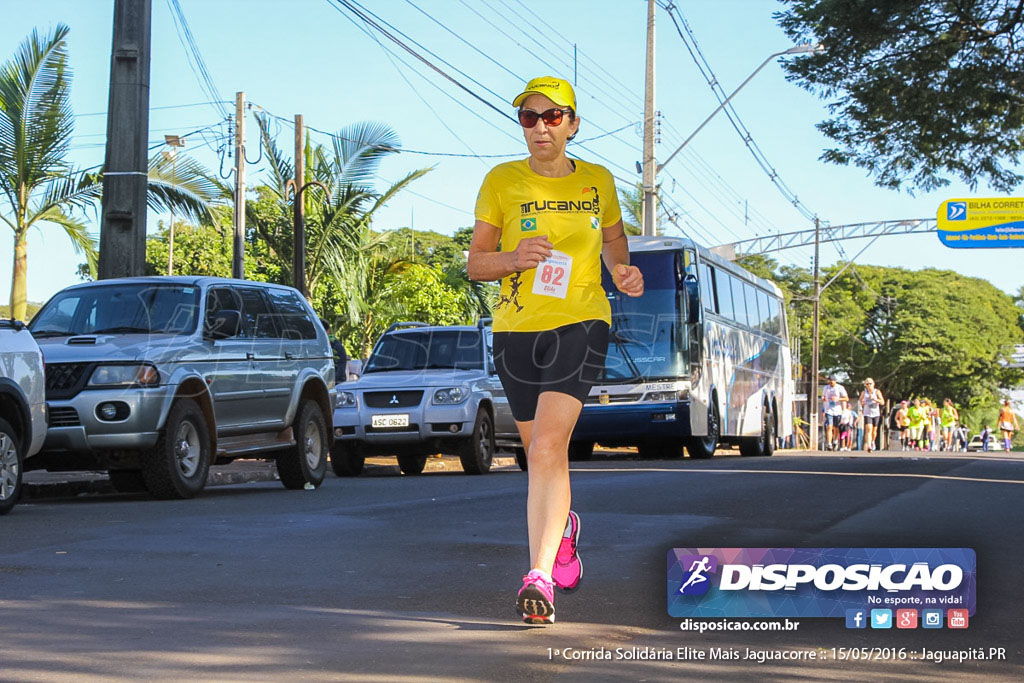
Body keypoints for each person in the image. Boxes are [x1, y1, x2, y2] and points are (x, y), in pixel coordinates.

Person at [467, 76, 644, 625]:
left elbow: (614, 238)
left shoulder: (598, 181)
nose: (540, 126)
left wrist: (621, 269)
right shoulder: (501, 181)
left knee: (546, 448)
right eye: (529, 117)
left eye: (552, 116)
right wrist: (515, 257)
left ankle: (537, 574)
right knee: (539, 454)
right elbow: (476, 264)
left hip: (583, 320)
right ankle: (561, 529)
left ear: (572, 124)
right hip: (517, 328)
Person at [821, 376, 848, 451]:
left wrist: (838, 399)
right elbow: (823, 396)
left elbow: (846, 398)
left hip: (837, 410)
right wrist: (823, 398)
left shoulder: (840, 388)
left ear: (835, 381)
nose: (831, 383)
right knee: (829, 427)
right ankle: (829, 443)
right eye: (829, 381)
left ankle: (835, 441)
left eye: (832, 381)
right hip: (828, 410)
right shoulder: (826, 388)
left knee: (836, 428)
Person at [859, 378, 884, 453]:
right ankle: (869, 445)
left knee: (874, 430)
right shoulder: (864, 392)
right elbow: (860, 400)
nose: (869, 385)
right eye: (867, 384)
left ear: (873, 384)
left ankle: (873, 441)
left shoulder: (877, 392)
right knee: (868, 429)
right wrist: (862, 403)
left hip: (876, 413)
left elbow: (882, 402)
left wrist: (875, 399)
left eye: (870, 383)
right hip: (867, 413)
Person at [321, 319, 348, 384]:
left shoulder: (336, 346)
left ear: (328, 331)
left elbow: (340, 370)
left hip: (337, 383)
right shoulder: (321, 345)